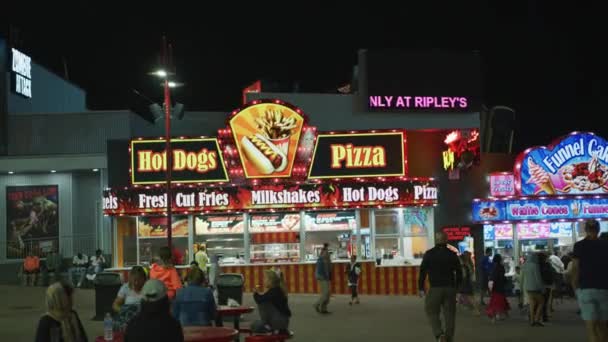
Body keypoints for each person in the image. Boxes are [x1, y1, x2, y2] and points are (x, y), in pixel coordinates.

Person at [418, 232, 462, 342]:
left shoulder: (429, 254)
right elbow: (459, 272)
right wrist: (457, 288)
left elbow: (422, 272)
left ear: (436, 240)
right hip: (450, 288)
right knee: (450, 314)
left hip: (435, 288)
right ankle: (449, 337)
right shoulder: (452, 254)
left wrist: (421, 288)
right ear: (446, 240)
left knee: (431, 311)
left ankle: (439, 334)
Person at [570, 220, 608, 342]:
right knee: (603, 326)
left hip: (585, 288)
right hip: (604, 289)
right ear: (598, 230)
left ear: (586, 230)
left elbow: (575, 268)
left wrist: (574, 286)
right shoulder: (606, 245)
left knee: (591, 328)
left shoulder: (579, 245)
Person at [252, 269, 292, 335]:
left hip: (277, 322)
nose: (263, 280)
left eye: (265, 278)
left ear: (270, 281)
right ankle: (269, 327)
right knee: (255, 325)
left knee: (254, 325)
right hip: (283, 322)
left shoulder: (274, 292)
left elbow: (259, 300)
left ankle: (268, 327)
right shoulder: (278, 290)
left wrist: (255, 293)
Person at [113, 266, 147, 331]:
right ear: (130, 279)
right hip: (128, 315)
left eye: (139, 280)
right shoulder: (125, 288)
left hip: (143, 315)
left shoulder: (148, 287)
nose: (136, 283)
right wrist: (124, 311)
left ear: (144, 279)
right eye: (134, 280)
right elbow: (115, 305)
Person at [521, 253, 545, 326]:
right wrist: (542, 288)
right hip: (535, 287)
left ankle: (531, 320)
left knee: (532, 304)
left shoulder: (525, 266)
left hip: (528, 288)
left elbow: (523, 277)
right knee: (541, 302)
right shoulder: (535, 266)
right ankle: (536, 319)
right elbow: (538, 278)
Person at [486, 254, 510, 323]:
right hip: (500, 286)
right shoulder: (501, 267)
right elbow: (502, 276)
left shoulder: (493, 267)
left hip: (495, 286)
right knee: (500, 301)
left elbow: (492, 276)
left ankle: (497, 316)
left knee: (495, 301)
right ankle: (499, 315)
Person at [457, 251, 480, 315]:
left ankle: (474, 309)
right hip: (465, 281)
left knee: (467, 295)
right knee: (466, 295)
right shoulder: (466, 263)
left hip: (465, 281)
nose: (469, 257)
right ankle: (473, 308)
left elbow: (469, 272)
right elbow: (470, 272)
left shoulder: (465, 263)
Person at [314, 245, 331, 314]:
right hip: (322, 278)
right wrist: (326, 277)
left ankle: (323, 309)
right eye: (325, 252)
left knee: (327, 294)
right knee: (325, 293)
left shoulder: (326, 260)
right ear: (322, 252)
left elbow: (329, 269)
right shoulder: (321, 260)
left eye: (327, 252)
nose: (327, 254)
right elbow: (321, 271)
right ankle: (317, 304)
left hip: (325, 278)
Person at [538, 252, 554, 322]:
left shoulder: (536, 266)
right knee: (544, 302)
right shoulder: (548, 265)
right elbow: (552, 273)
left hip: (538, 286)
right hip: (547, 285)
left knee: (537, 302)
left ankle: (536, 316)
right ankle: (544, 316)